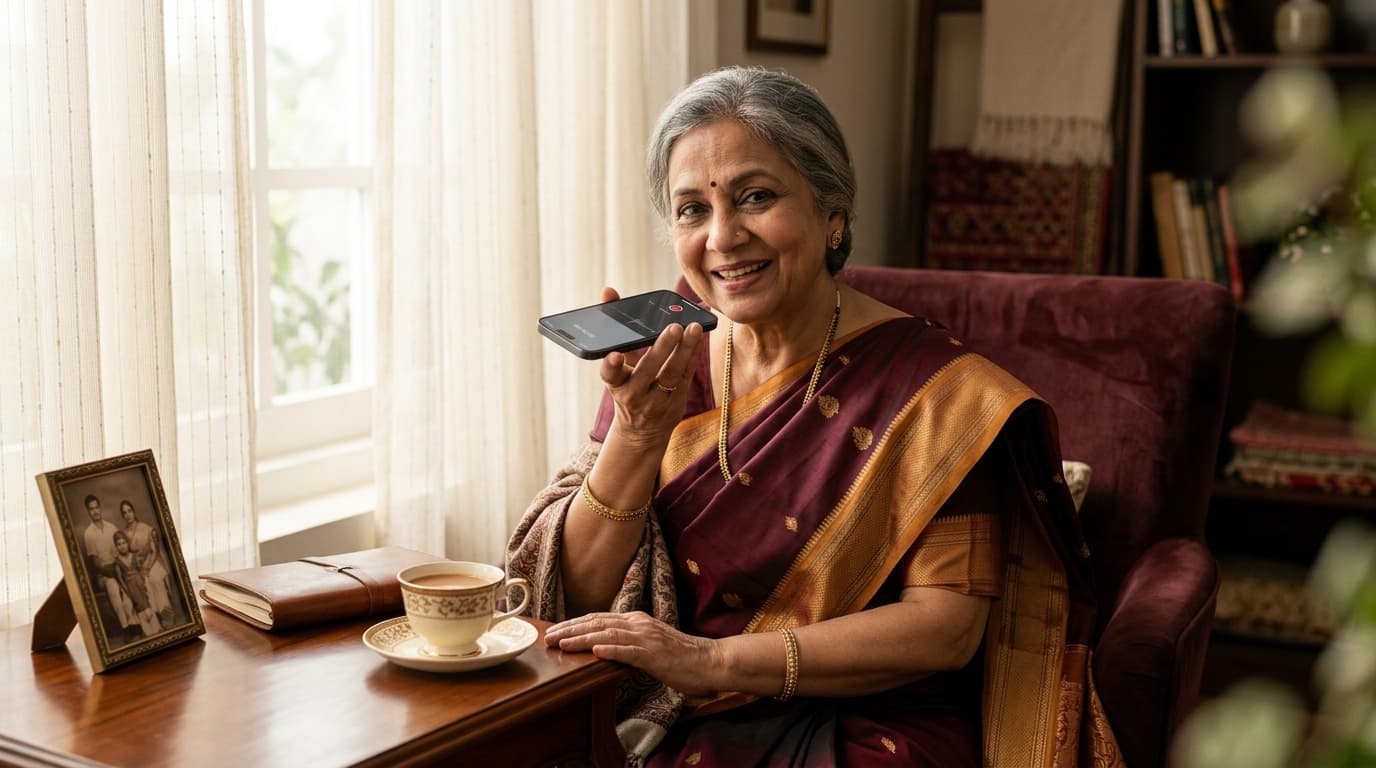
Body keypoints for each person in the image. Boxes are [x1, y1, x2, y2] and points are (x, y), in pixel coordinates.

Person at [507, 67, 1120, 767]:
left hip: (867, 721)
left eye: (756, 197)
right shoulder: (671, 357)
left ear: (832, 213)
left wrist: (715, 663)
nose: (723, 237)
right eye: (691, 210)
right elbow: (576, 592)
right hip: (677, 709)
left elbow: (946, 627)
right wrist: (637, 432)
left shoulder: (937, 390)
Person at [81, 494, 135, 633]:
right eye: (91, 509)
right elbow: (95, 564)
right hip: (104, 574)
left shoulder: (112, 527)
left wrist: (120, 569)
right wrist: (110, 572)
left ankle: (133, 622)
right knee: (113, 586)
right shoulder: (89, 534)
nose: (95, 511)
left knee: (129, 586)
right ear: (88, 511)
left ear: (100, 508)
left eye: (97, 507)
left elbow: (122, 550)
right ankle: (125, 627)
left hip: (118, 567)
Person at [119, 499, 174, 626]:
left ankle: (166, 614)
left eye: (129, 511)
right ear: (123, 516)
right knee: (143, 584)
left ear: (133, 512)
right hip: (137, 567)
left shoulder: (146, 528)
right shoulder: (124, 534)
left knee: (154, 579)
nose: (128, 515)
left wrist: (147, 568)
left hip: (152, 562)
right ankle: (156, 618)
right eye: (124, 513)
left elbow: (154, 551)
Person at [111, 529, 162, 638]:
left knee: (146, 597)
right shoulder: (117, 562)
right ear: (116, 546)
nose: (122, 546)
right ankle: (147, 630)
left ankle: (156, 627)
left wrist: (143, 580)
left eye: (124, 543)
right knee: (138, 604)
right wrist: (127, 591)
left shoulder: (134, 556)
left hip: (140, 583)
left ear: (127, 543)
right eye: (119, 544)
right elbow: (120, 579)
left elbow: (140, 569)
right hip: (130, 586)